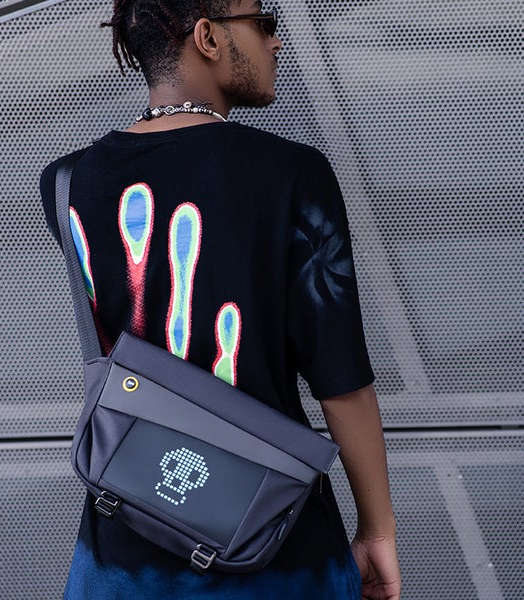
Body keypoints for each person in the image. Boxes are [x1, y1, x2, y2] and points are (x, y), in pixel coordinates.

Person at [40, 0, 401, 598]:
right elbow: (341, 382)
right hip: (276, 548)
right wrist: (378, 529)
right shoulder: (292, 174)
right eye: (263, 22)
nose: (276, 41)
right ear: (207, 37)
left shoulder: (67, 182)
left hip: (119, 551)